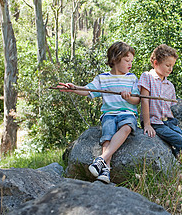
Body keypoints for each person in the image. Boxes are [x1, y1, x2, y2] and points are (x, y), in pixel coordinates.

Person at [57, 42, 140, 183]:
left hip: (127, 113)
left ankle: (100, 159)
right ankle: (105, 171)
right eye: (127, 61)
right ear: (114, 59)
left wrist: (129, 97)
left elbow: (137, 100)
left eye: (131, 61)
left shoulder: (131, 78)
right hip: (109, 114)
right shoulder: (102, 78)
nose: (130, 64)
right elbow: (88, 90)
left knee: (127, 127)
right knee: (107, 137)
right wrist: (74, 88)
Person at [138, 44, 182, 159]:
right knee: (178, 139)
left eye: (172, 66)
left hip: (168, 122)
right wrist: (147, 124)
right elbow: (144, 101)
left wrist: (177, 127)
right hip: (154, 122)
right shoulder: (147, 77)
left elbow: (169, 109)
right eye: (168, 65)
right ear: (156, 63)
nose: (170, 69)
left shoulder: (170, 86)